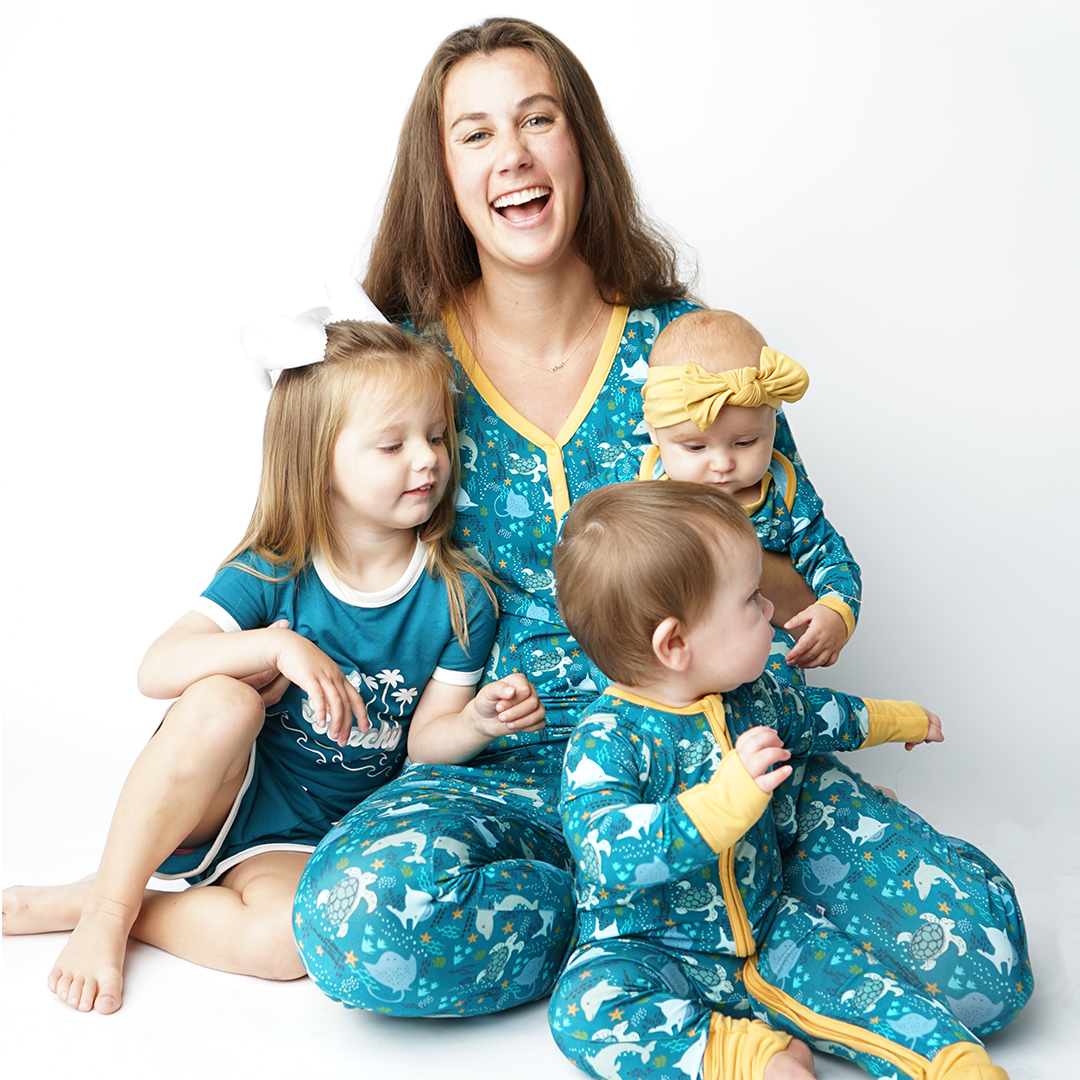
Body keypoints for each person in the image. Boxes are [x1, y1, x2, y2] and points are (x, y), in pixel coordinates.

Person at [294, 16, 1031, 1042]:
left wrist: (731, 536)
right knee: (352, 923)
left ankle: (701, 912)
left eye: (538, 120)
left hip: (728, 748)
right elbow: (323, 567)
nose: (512, 155)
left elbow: (788, 581)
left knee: (984, 968)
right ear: (443, 173)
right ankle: (661, 923)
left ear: (581, 145)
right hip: (519, 775)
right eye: (475, 134)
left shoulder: (688, 352)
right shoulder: (405, 370)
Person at [1, 311, 542, 1015]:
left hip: (310, 841)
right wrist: (276, 644)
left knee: (287, 947)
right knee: (221, 700)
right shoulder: (275, 570)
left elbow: (423, 744)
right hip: (221, 794)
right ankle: (105, 911)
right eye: (392, 445)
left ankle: (114, 901)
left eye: (436, 436)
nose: (428, 460)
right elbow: (155, 668)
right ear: (318, 461)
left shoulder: (459, 598)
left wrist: (476, 723)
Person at [548, 482, 1024, 1080]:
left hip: (772, 927)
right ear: (675, 643)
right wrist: (723, 802)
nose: (770, 609)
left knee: (863, 987)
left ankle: (951, 1061)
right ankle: (743, 1055)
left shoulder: (754, 696)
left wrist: (901, 718)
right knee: (582, 1010)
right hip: (648, 947)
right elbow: (604, 850)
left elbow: (825, 715)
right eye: (750, 599)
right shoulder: (607, 740)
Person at [639, 309, 860, 674]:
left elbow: (833, 560)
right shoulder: (639, 491)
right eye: (695, 447)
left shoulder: (783, 496)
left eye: (744, 442)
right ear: (653, 433)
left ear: (773, 425)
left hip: (765, 672)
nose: (722, 463)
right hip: (669, 675)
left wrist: (834, 610)